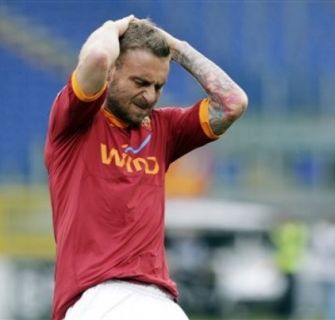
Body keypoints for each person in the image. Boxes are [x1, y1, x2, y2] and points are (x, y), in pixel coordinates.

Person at [44, 16, 247, 320]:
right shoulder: (76, 123)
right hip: (98, 296)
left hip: (158, 300)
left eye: (158, 86)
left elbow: (232, 102)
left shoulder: (163, 130)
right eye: (140, 82)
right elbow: (98, 56)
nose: (150, 96)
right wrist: (113, 27)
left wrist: (176, 48)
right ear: (111, 73)